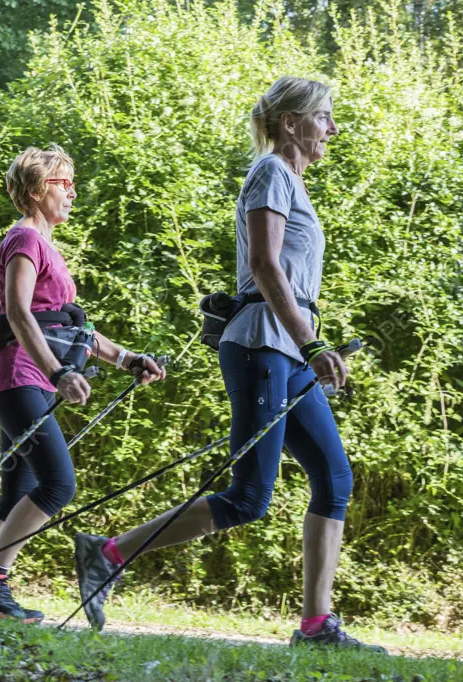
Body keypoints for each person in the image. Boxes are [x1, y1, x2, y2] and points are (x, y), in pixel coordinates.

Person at [73, 77, 387, 653]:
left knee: (335, 478)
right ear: (291, 121)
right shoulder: (269, 173)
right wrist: (310, 344)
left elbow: (289, 278)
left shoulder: (293, 182)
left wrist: (315, 347)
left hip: (289, 350)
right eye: (325, 117)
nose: (333, 129)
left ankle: (318, 626)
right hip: (261, 347)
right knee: (248, 498)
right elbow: (266, 268)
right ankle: (109, 554)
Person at [0, 145, 165, 622]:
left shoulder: (46, 246)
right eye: (62, 183)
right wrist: (58, 371)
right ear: (34, 191)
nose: (72, 191)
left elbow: (69, 328)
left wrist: (128, 358)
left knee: (17, 492)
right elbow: (18, 311)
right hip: (20, 378)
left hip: (23, 380)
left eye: (73, 183)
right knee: (58, 484)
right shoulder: (25, 241)